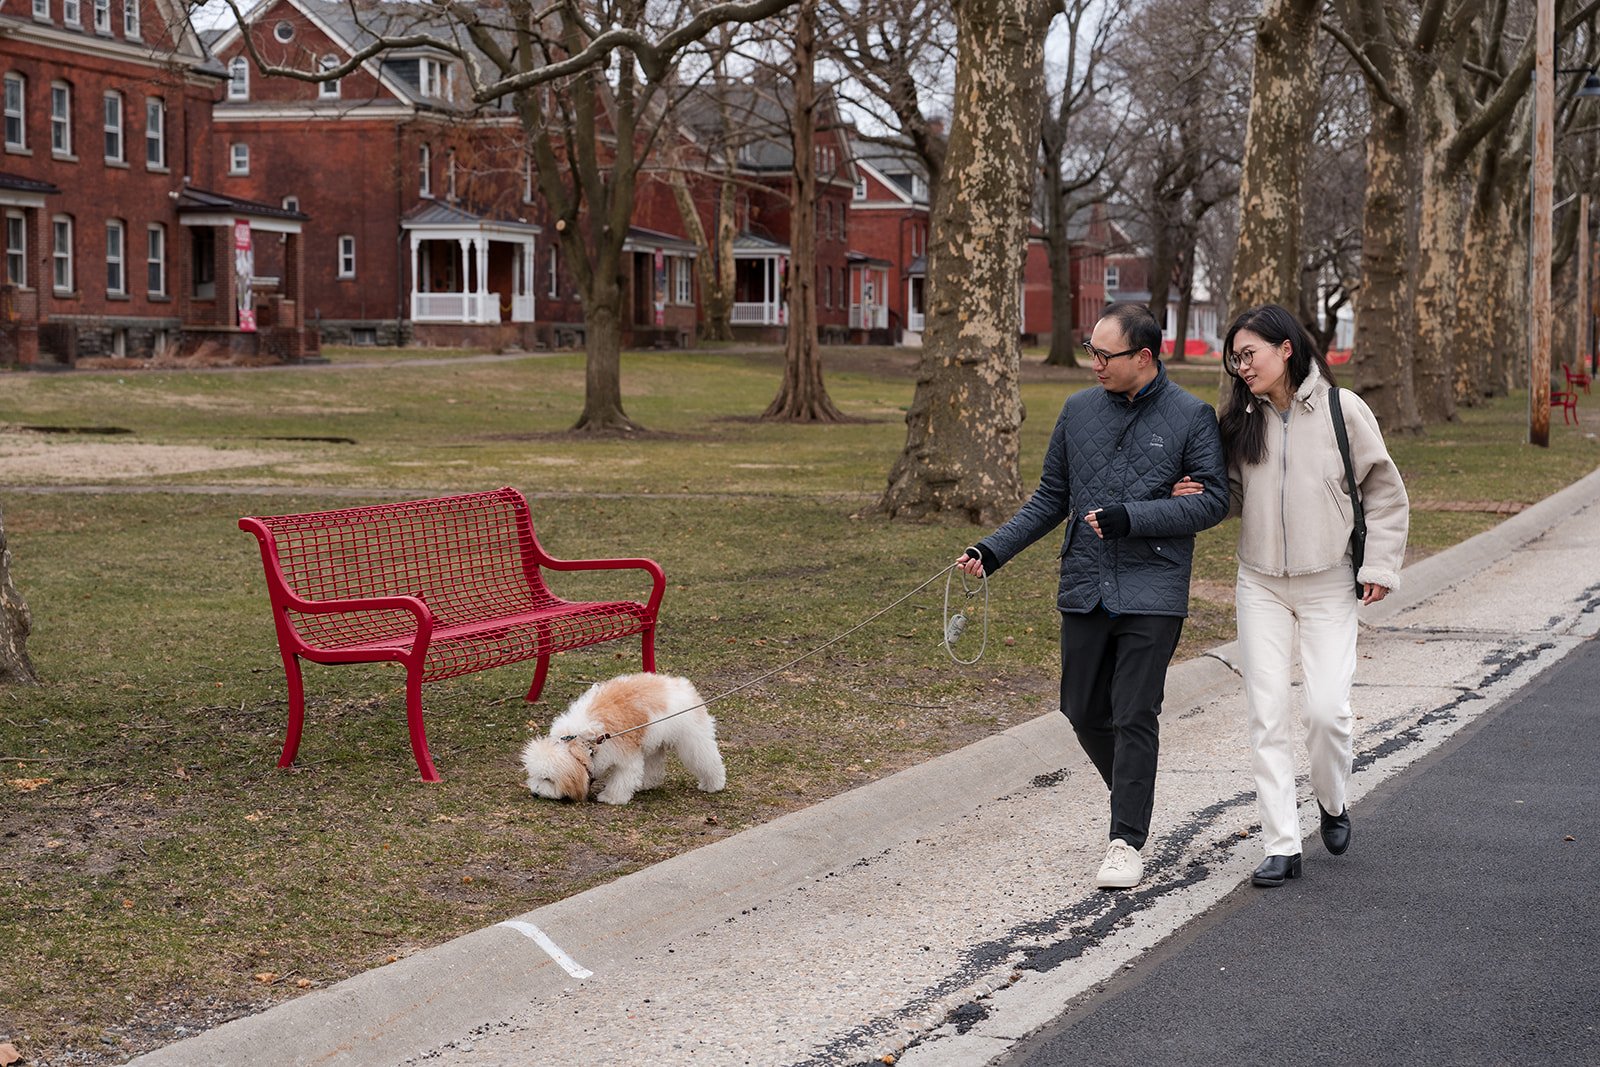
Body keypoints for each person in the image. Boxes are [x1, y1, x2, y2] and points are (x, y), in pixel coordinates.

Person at [955, 302, 1229, 890]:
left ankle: (1125, 839)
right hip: (1084, 583)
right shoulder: (1078, 410)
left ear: (1145, 357)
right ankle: (1136, 794)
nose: (1095, 364)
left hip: (1153, 589)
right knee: (1081, 709)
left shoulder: (1192, 415)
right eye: (1091, 350)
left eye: (1106, 355)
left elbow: (1211, 501)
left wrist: (1136, 516)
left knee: (1134, 712)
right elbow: (1052, 496)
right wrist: (993, 550)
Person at [1173, 304, 1408, 888]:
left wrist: (1379, 563)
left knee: (1328, 712)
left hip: (1330, 579)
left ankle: (1331, 801)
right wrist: (1193, 493)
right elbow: (1228, 496)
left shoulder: (1341, 408)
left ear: (1285, 348)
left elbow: (1383, 490)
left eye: (1248, 354)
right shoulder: (1239, 421)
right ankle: (1281, 842)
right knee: (1267, 714)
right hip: (1260, 583)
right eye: (1235, 359)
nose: (1240, 366)